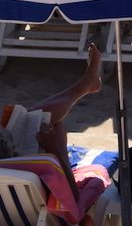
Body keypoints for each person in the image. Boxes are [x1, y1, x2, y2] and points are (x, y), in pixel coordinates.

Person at [0, 44, 103, 204]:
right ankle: (86, 84)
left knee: (38, 119)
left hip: (16, 205)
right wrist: (55, 148)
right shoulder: (23, 179)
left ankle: (87, 84)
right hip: (41, 213)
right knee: (45, 121)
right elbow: (72, 199)